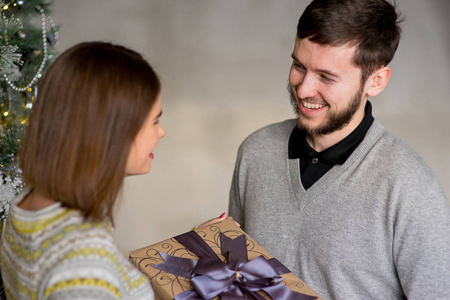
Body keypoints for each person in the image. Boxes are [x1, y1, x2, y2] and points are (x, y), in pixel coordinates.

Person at [228, 0, 450, 299]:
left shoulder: (410, 186)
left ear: (376, 81)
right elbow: (235, 281)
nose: (304, 89)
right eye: (299, 66)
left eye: (326, 77)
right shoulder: (255, 153)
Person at [0, 42, 165, 299]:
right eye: (154, 121)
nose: (161, 132)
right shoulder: (84, 268)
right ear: (111, 134)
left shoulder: (31, 204)